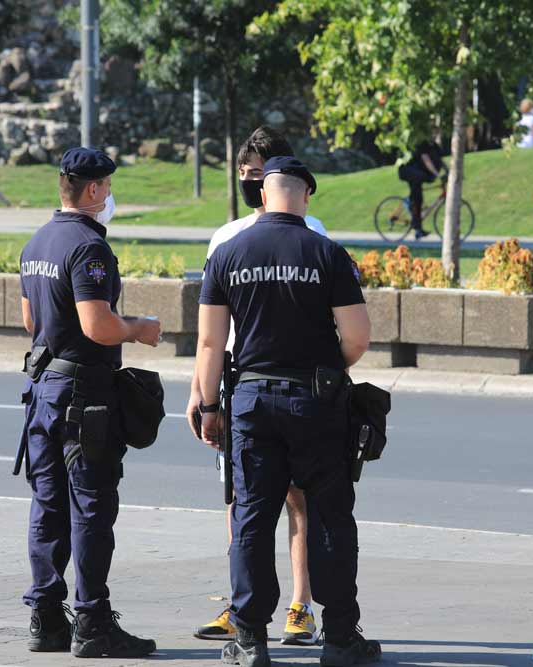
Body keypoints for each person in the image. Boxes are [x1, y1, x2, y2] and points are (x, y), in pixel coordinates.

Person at [196, 156, 378, 667]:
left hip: (251, 401)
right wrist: (326, 369)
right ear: (306, 195)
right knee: (329, 516)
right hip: (316, 400)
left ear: (263, 193)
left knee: (252, 519)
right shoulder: (328, 253)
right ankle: (340, 638)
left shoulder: (227, 253)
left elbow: (210, 343)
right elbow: (357, 338)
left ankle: (250, 639)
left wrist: (209, 406)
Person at [17, 147, 161, 658]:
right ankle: (93, 622)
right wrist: (139, 328)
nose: (110, 196)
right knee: (91, 508)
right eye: (108, 187)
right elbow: (97, 324)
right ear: (94, 189)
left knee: (48, 504)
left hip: (44, 391)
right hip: (84, 396)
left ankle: (45, 619)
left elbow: (31, 321)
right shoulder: (88, 247)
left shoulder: (37, 241)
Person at [189, 126, 326, 647]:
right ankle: (242, 606)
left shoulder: (313, 232)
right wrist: (201, 395)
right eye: (245, 175)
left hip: (296, 382)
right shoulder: (225, 238)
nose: (252, 183)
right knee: (241, 500)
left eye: (259, 175)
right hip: (239, 381)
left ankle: (300, 605)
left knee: (298, 498)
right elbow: (210, 334)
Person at [397, 140, 444, 240]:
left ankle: (418, 228)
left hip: (418, 174)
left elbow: (440, 161)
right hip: (409, 171)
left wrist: (450, 172)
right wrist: (437, 174)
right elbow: (426, 160)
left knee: (418, 198)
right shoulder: (421, 142)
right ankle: (416, 224)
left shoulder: (434, 146)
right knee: (417, 199)